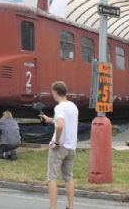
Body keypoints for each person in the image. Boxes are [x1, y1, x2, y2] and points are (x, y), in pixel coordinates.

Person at [39, 81, 78, 209]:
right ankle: (70, 206)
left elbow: (60, 125)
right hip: (71, 147)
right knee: (68, 177)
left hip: (59, 147)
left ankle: (53, 207)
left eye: (52, 92)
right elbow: (61, 121)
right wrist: (48, 119)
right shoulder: (73, 106)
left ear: (55, 92)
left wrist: (56, 141)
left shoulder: (59, 107)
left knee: (52, 178)